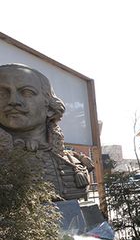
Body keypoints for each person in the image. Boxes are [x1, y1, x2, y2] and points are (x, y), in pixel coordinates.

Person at [0, 63, 93, 200]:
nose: (13, 101)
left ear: (49, 107)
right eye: (2, 94)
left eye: (27, 92)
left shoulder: (74, 164)